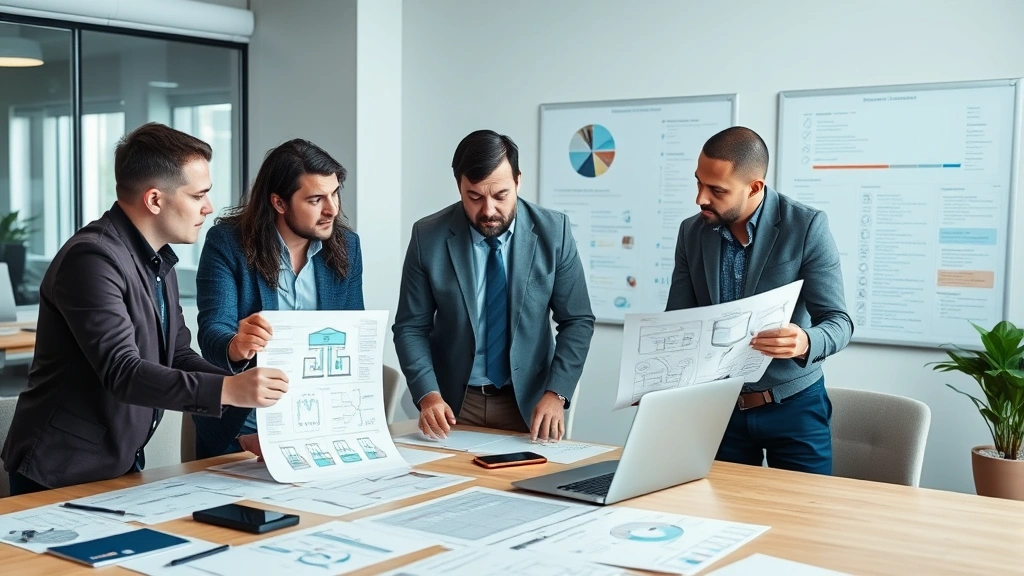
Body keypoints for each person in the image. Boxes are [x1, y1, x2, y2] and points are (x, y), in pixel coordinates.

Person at [1, 123, 288, 495]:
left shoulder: (156, 261)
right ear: (155, 200)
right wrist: (230, 390)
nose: (208, 207)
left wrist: (240, 406)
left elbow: (178, 355)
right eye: (198, 194)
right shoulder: (92, 258)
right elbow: (124, 372)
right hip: (62, 469)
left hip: (118, 462)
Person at [665, 126, 853, 475]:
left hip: (795, 404)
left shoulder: (808, 226)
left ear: (755, 187)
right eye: (698, 183)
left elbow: (839, 323)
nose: (700, 199)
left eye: (716, 190)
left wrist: (806, 340)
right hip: (718, 407)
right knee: (718, 518)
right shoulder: (691, 232)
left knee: (805, 518)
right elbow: (678, 322)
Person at [394, 129, 595, 442]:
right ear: (459, 186)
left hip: (529, 402)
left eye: (500, 195)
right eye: (474, 197)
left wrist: (556, 394)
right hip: (453, 405)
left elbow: (577, 321)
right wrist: (428, 395)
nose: (488, 210)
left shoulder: (555, 232)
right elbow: (410, 327)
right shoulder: (428, 236)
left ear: (517, 181)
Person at [193, 139, 363, 459]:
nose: (332, 209)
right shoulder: (227, 243)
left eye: (334, 193)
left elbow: (352, 335)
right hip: (242, 422)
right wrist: (237, 344)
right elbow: (213, 331)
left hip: (319, 421)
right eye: (315, 199)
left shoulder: (347, 246)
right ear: (279, 203)